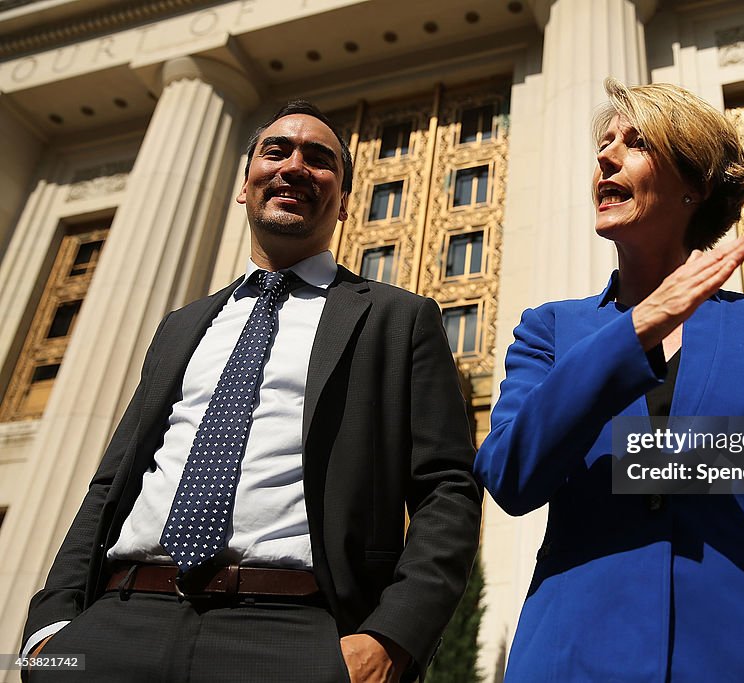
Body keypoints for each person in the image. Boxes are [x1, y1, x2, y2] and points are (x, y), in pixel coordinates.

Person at [21, 100, 482, 683]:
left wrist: (393, 640)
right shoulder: (182, 326)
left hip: (288, 633)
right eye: (276, 151)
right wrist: (48, 633)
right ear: (245, 185)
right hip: (118, 621)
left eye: (320, 160)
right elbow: (113, 481)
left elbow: (447, 487)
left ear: (342, 203)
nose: (293, 166)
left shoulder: (400, 319)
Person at [474, 78, 744, 682]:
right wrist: (639, 328)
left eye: (636, 141)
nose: (605, 156)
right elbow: (511, 475)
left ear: (694, 186)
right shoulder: (548, 329)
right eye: (604, 142)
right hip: (576, 652)